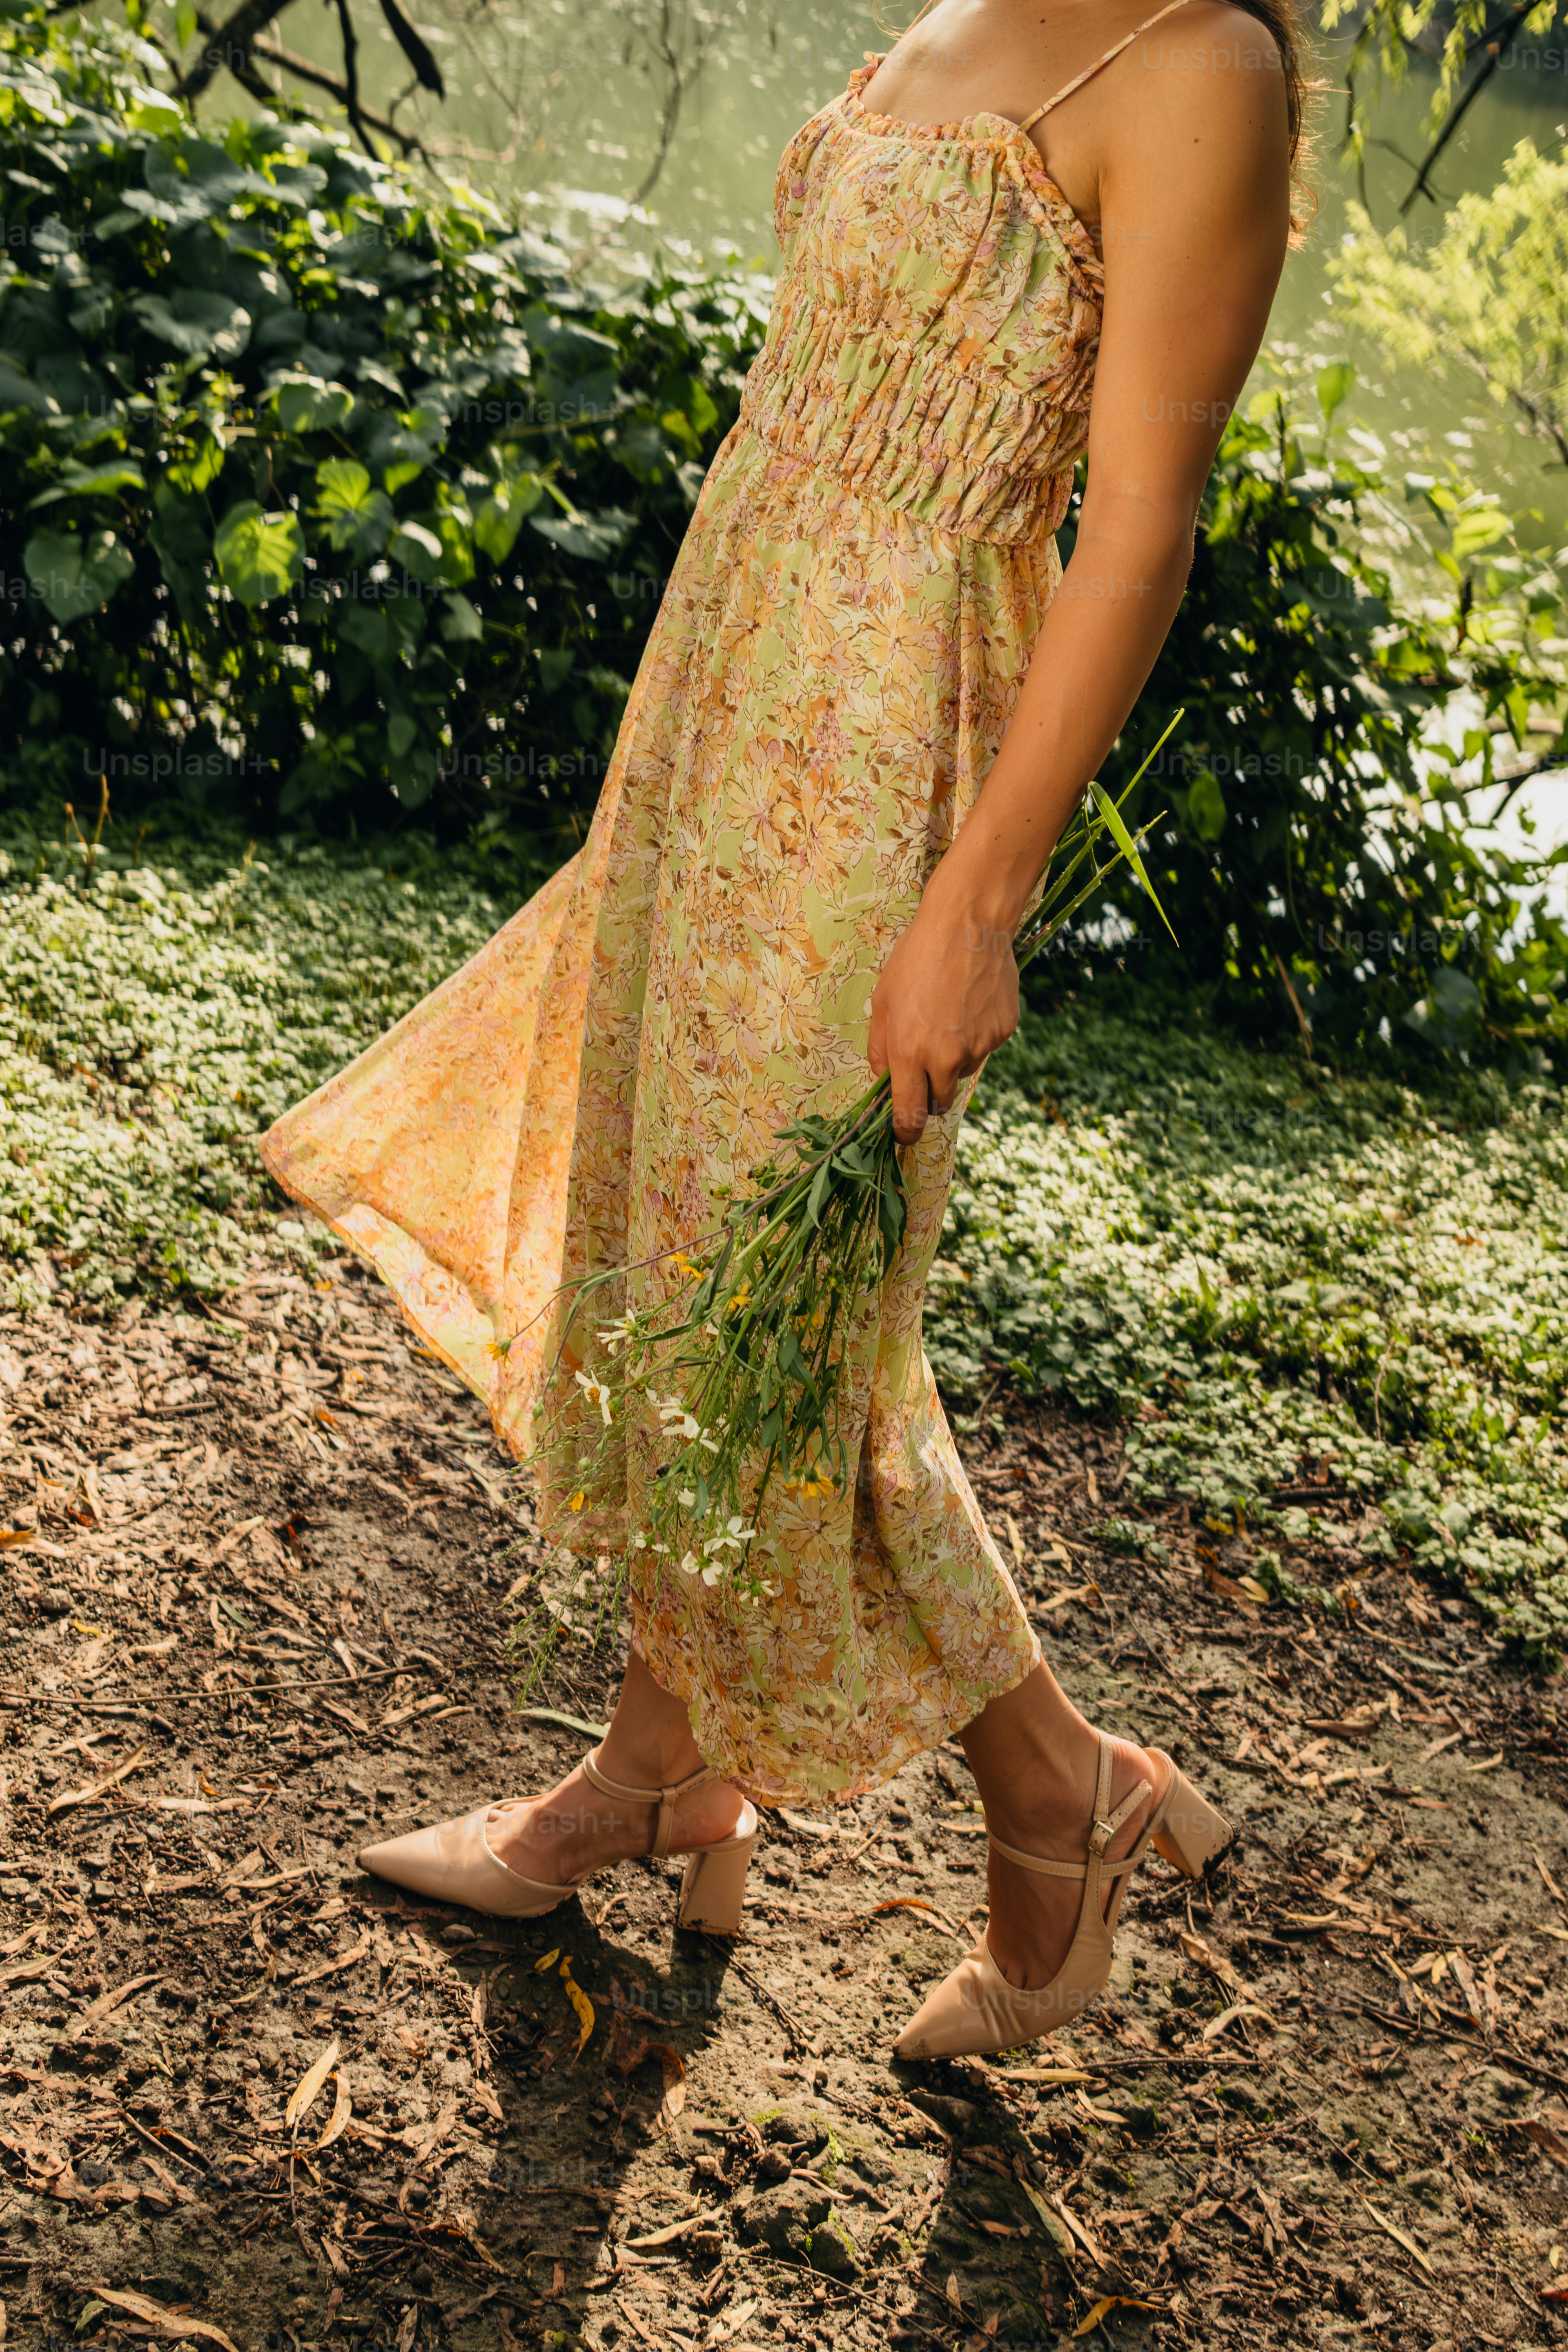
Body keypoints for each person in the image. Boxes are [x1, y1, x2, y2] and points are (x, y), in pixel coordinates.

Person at [261, 0, 1301, 2058]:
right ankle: (666, 1770)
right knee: (684, 1243)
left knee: (782, 1293)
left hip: (887, 743)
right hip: (729, 680)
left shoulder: (1202, 65)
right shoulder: (975, 7)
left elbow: (1141, 529)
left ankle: (1055, 1788)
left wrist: (974, 906)